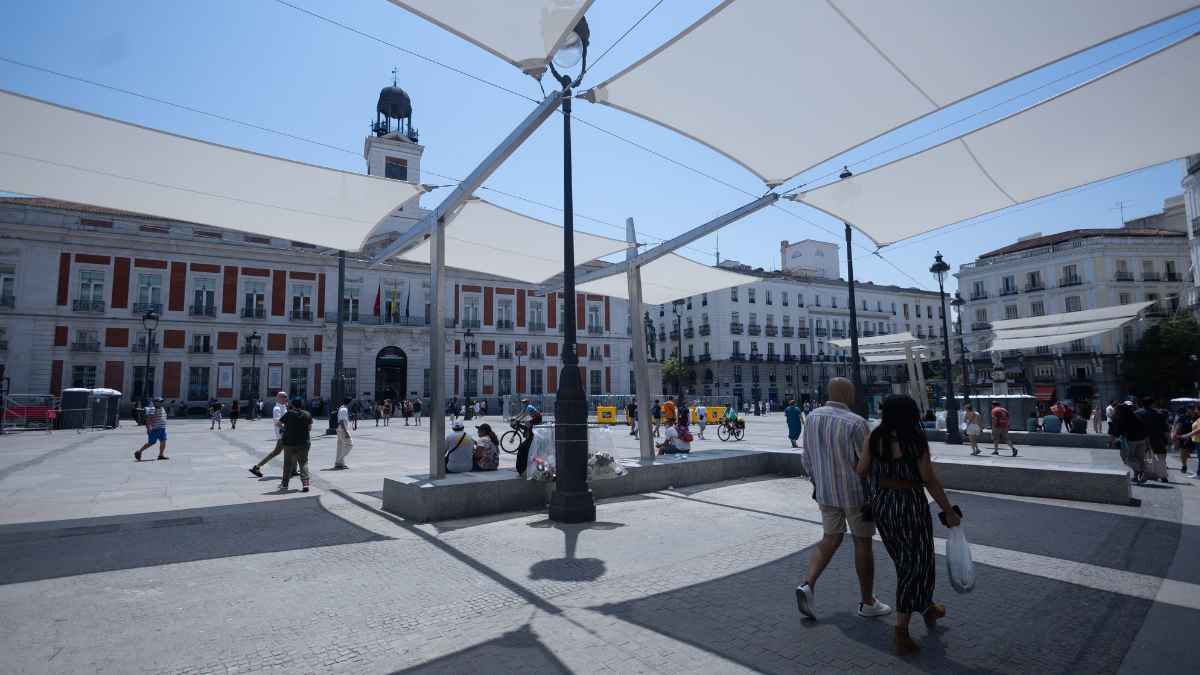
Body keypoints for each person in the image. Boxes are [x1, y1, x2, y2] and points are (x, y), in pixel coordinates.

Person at [856, 394, 960, 655]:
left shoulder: (874, 437)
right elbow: (929, 479)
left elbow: (860, 470)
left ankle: (926, 606)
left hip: (883, 506)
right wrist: (948, 510)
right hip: (910, 505)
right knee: (916, 563)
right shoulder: (915, 439)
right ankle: (901, 630)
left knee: (907, 561)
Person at [796, 377, 892, 622]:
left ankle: (808, 584)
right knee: (863, 543)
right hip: (855, 494)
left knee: (830, 538)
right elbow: (867, 462)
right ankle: (868, 602)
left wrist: (817, 481)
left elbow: (806, 458)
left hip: (825, 491)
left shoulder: (813, 417)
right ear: (847, 394)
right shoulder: (856, 423)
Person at [249, 392, 290, 477]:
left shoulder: (284, 407)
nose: (286, 398)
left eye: (286, 396)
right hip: (283, 434)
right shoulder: (277, 408)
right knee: (289, 451)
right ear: (278, 398)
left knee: (281, 452)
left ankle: (257, 467)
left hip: (285, 434)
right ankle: (257, 467)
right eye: (284, 397)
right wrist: (287, 430)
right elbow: (278, 423)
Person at [278, 398, 312, 492]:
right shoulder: (307, 414)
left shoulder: (289, 413)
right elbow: (309, 428)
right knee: (303, 463)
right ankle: (305, 484)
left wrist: (285, 429)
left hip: (289, 443)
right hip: (304, 442)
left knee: (287, 464)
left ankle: (285, 484)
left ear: (292, 405)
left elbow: (279, 423)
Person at [1111, 402, 1148, 483]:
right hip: (1142, 439)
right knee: (1140, 458)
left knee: (1127, 458)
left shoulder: (1120, 418)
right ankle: (1137, 475)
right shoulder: (1135, 416)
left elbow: (1117, 432)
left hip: (1130, 441)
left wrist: (1113, 440)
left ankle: (1141, 471)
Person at [1137, 397, 1169, 483]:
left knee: (1144, 457)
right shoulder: (1158, 413)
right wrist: (1168, 439)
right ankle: (1163, 476)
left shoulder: (1137, 413)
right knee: (1161, 457)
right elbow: (1165, 428)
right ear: (1152, 404)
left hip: (1142, 438)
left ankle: (1143, 474)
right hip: (1157, 438)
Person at [1172, 406, 1194, 476]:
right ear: (1187, 410)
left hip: (1195, 436)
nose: (1192, 410)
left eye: (1193, 409)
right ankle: (1184, 465)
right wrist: (1175, 435)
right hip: (1184, 437)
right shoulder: (1182, 417)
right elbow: (1178, 426)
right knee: (1184, 451)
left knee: (1187, 452)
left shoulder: (1196, 416)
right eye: (1190, 409)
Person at [334, 397, 353, 470]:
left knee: (340, 446)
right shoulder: (344, 409)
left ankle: (339, 463)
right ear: (350, 402)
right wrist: (346, 432)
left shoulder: (342, 408)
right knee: (350, 445)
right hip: (342, 430)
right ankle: (339, 461)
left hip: (340, 429)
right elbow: (341, 421)